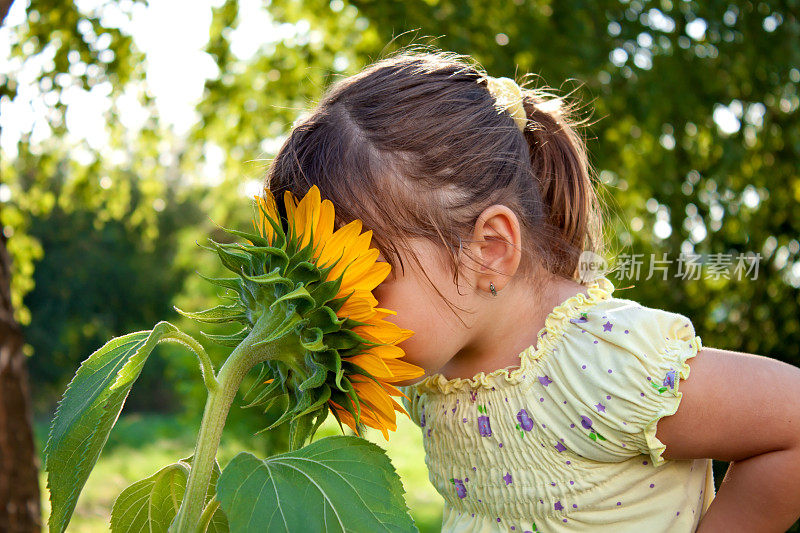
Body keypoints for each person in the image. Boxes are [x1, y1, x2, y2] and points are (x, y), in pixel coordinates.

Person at [263, 48, 800, 532]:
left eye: (360, 278)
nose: (327, 313)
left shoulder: (600, 365)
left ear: (489, 251)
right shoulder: (436, 373)